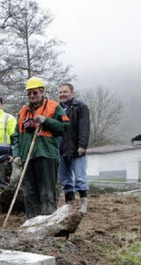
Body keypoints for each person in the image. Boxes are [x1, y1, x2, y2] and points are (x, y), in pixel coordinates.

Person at [12, 77, 69, 219]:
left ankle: (49, 220)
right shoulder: (23, 111)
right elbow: (16, 136)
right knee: (29, 193)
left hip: (46, 155)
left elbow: (64, 127)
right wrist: (16, 154)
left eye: (35, 92)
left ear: (42, 92)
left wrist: (47, 121)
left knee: (47, 191)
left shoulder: (54, 107)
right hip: (27, 157)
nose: (32, 96)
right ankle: (32, 222)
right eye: (29, 93)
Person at [58, 83, 91, 214]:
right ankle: (70, 205)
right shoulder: (57, 109)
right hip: (61, 149)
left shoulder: (80, 107)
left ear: (72, 93)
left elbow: (84, 127)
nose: (62, 94)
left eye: (65, 92)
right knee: (65, 179)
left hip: (76, 149)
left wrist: (82, 145)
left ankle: (83, 203)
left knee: (80, 177)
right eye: (60, 92)